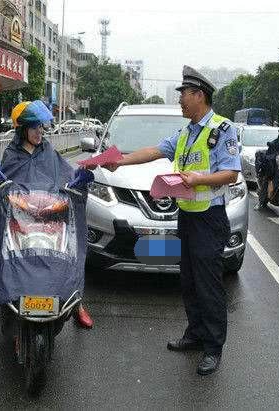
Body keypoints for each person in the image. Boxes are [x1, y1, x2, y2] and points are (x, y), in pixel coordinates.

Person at [93, 66, 241, 374]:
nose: (181, 101)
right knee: (188, 279)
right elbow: (154, 150)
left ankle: (213, 347)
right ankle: (195, 333)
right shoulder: (186, 133)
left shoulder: (222, 129)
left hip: (210, 220)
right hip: (186, 217)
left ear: (199, 95)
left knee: (208, 284)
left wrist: (200, 178)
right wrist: (118, 161)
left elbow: (231, 173)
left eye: (184, 95)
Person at [1, 100, 94, 329]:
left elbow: (65, 174)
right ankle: (4, 300)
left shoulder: (48, 151)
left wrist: (78, 179)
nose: (39, 132)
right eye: (34, 127)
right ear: (22, 129)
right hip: (19, 217)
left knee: (73, 248)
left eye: (41, 127)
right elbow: (2, 183)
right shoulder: (11, 154)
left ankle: (76, 303)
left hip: (49, 214)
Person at [254, 123, 279, 210]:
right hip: (273, 168)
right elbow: (268, 156)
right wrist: (275, 156)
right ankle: (261, 202)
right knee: (267, 181)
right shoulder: (273, 143)